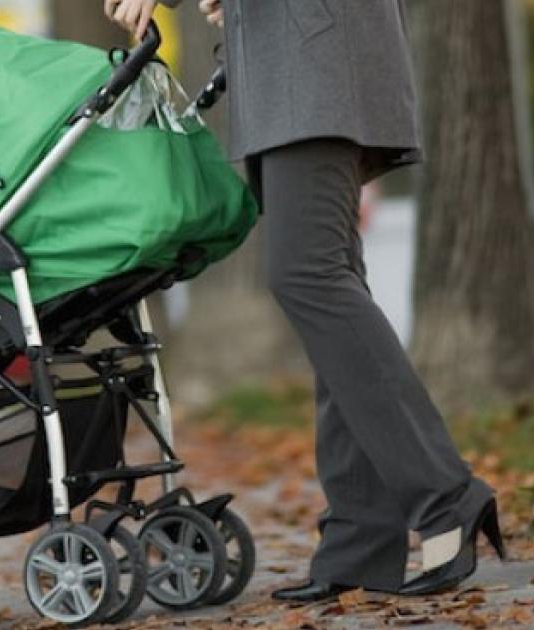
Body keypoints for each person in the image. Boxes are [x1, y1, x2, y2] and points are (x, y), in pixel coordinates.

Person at [104, 0, 505, 602]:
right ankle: (361, 539)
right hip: (296, 64)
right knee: (329, 280)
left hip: (315, 65)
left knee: (308, 277)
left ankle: (447, 498)